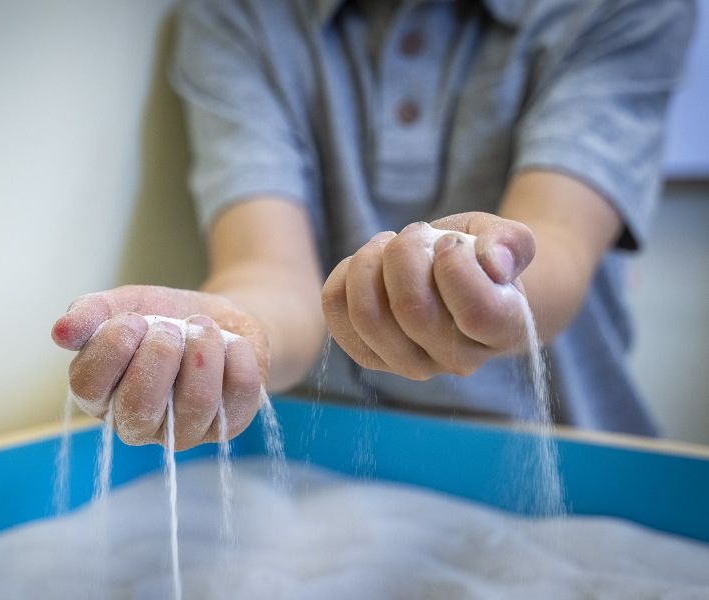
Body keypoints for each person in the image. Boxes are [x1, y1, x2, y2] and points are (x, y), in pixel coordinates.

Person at [52, 0, 694, 450]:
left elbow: (557, 247)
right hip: (337, 463)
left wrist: (491, 282)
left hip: (578, 464)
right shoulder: (237, 17)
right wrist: (229, 334)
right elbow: (269, 275)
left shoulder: (621, 7)